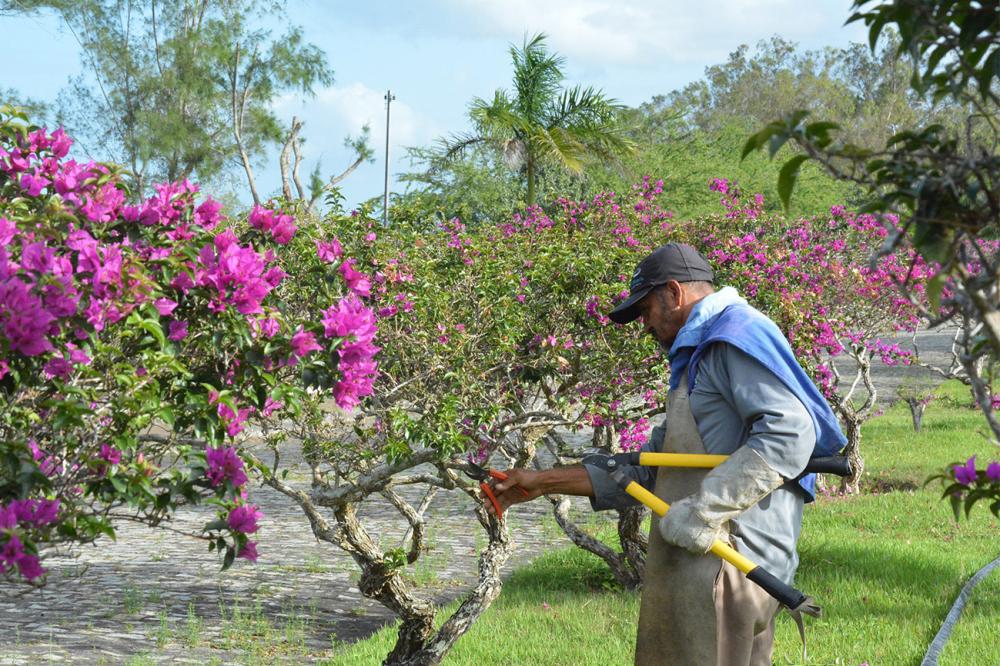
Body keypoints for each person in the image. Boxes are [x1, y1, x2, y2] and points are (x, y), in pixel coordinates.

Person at [492, 242, 845, 666]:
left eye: (645, 310)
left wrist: (704, 510)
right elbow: (653, 468)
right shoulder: (699, 354)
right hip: (706, 559)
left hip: (731, 561)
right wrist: (541, 482)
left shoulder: (733, 337)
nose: (644, 325)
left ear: (674, 293)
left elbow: (789, 432)